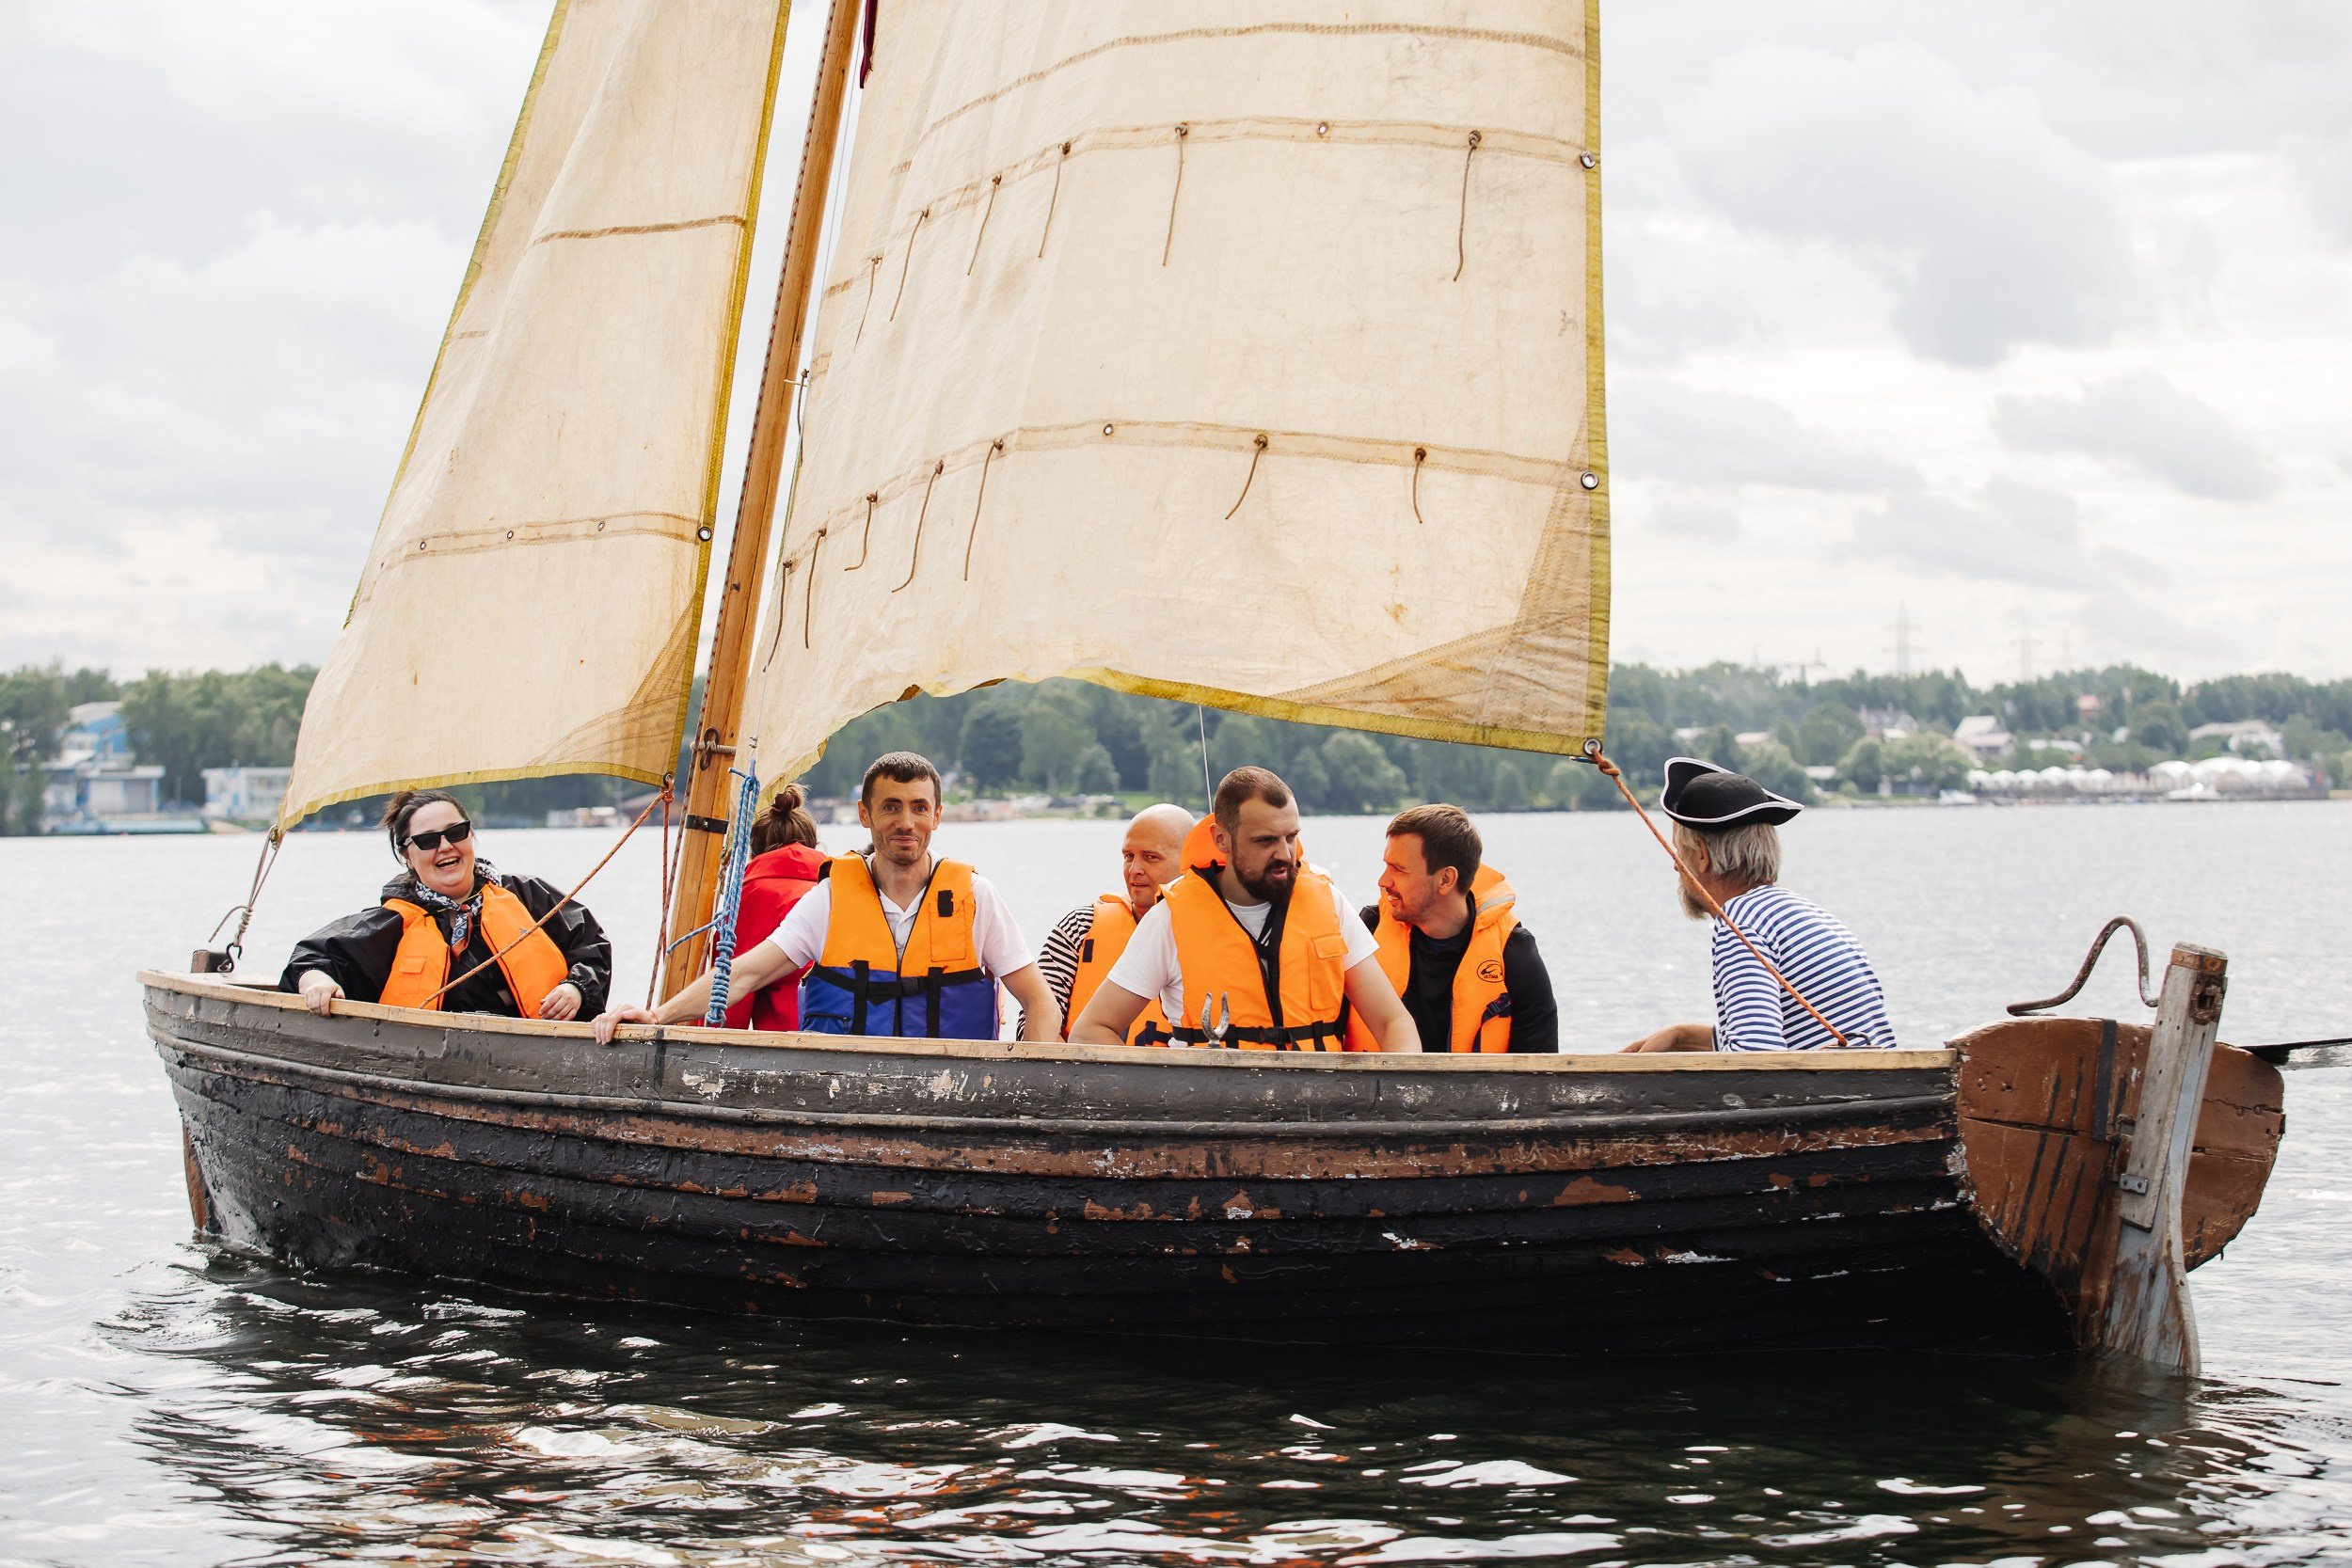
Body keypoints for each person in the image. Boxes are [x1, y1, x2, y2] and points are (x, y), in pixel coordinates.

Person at [596, 752, 1057, 1041]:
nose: (905, 822)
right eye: (890, 807)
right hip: (847, 1093)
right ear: (864, 814)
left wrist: (1034, 1091)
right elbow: (743, 974)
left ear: (937, 815)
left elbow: (1039, 1001)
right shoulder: (831, 897)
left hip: (951, 1094)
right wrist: (659, 1015)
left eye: (919, 808)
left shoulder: (976, 897)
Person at [1069, 767, 1418, 1053]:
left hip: (1318, 1114)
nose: (1285, 854)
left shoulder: (1329, 903)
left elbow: (1393, 1023)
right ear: (1222, 840)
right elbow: (1091, 1031)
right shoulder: (1171, 920)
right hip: (1212, 1121)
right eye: (1265, 841)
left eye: (1291, 837)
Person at [1625, 757, 1896, 1053]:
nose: (1676, 867)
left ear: (1701, 856)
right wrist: (1681, 1036)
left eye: (1679, 851)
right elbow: (1781, 1034)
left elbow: (1755, 1060)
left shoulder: (1739, 924)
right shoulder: (1804, 913)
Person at [282, 788, 611, 1021]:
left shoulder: (530, 895)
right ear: (406, 856)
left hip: (546, 1054)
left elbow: (591, 946)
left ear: (470, 835)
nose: (444, 846)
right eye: (427, 840)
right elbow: (311, 958)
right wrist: (317, 982)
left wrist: (576, 988)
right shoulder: (390, 924)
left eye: (456, 832)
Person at [1352, 803, 1558, 1053]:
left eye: (1398, 870)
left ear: (1446, 879)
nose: (1383, 881)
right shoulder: (1367, 932)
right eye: (1386, 866)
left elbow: (1539, 1075)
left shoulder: (1515, 954)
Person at [1036, 802, 1192, 1043]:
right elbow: (1035, 1021)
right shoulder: (1078, 928)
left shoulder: (1220, 934)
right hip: (1082, 1076)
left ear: (1188, 862)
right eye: (1129, 856)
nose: (1134, 869)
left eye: (1151, 857)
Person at [722, 783, 828, 1031]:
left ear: (755, 849)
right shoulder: (837, 887)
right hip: (842, 1033)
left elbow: (733, 985)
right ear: (813, 844)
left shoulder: (749, 896)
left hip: (781, 1043)